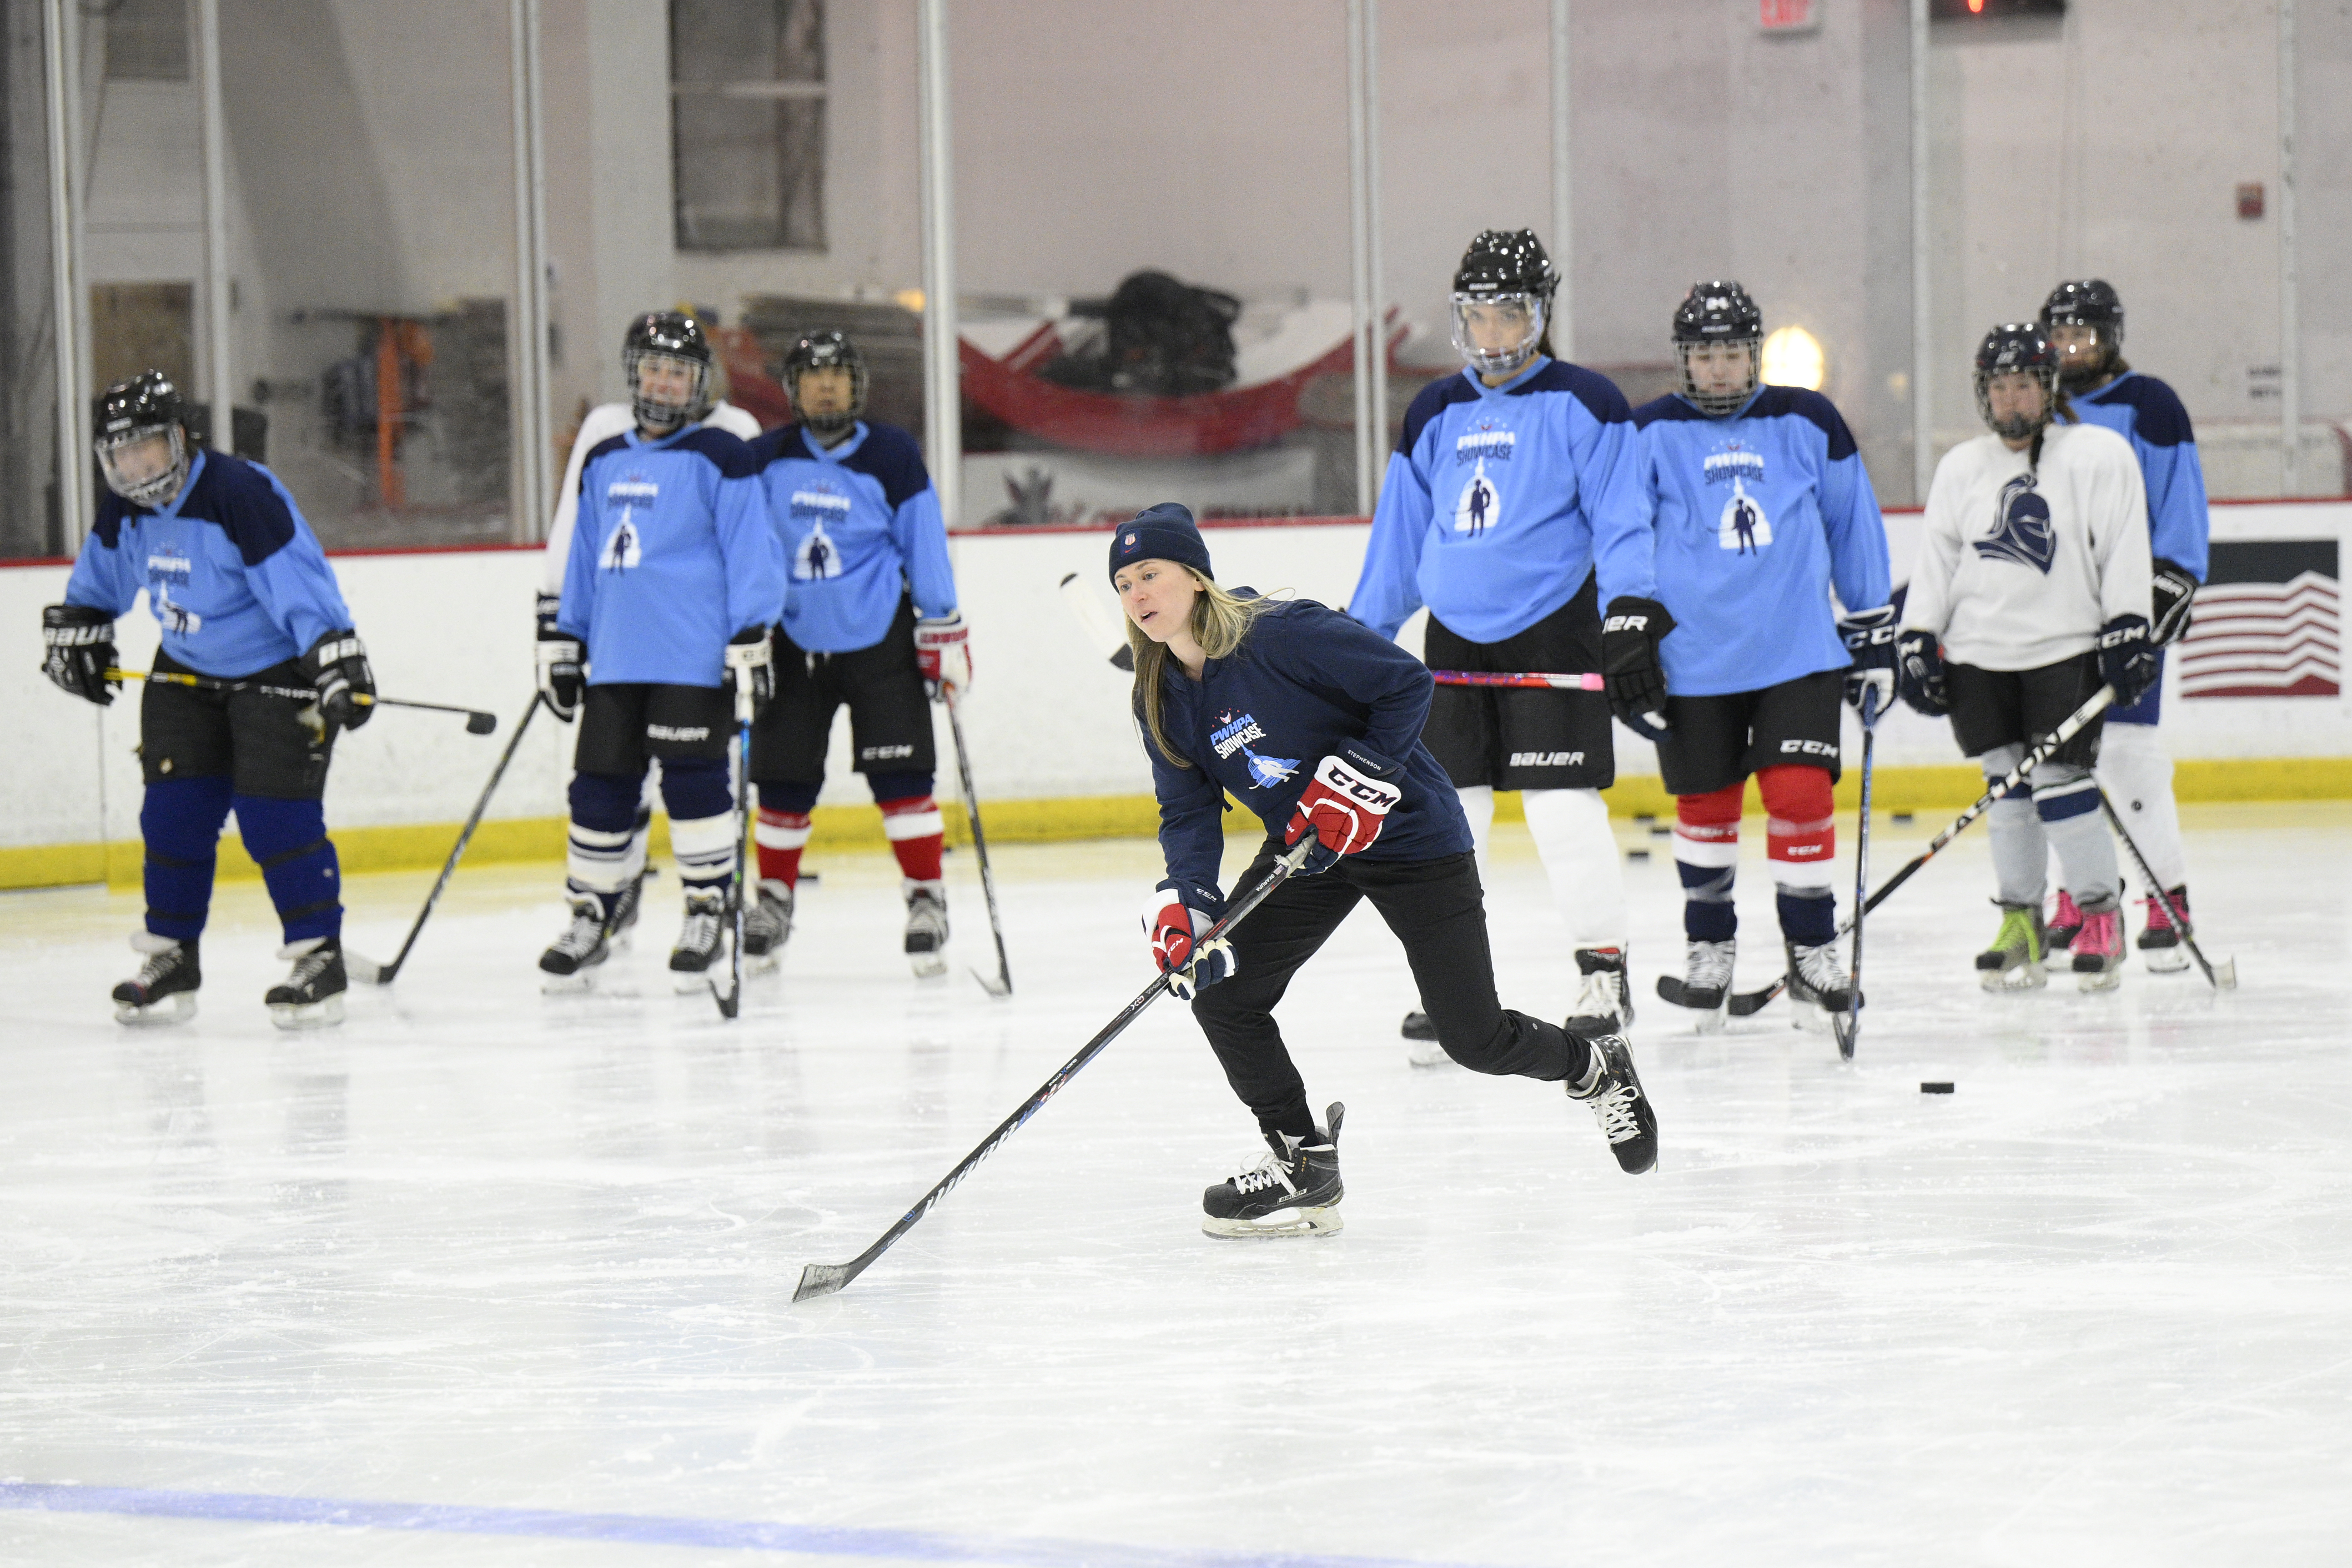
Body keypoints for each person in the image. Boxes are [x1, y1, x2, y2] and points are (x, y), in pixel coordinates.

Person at [1115, 504, 1656, 1239]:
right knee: (1225, 995)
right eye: (1123, 583)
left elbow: (1405, 684)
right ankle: (1303, 1162)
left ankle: (1593, 1065)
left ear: (1197, 576)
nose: (1137, 593)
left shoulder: (1283, 631)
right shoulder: (1161, 698)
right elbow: (1187, 815)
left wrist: (1362, 775)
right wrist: (1193, 902)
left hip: (1412, 837)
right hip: (1312, 849)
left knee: (1474, 1037)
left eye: (1150, 573)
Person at [1348, 229, 1653, 1061]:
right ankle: (1453, 991)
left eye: (1508, 314)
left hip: (1555, 626)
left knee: (1560, 811)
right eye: (1478, 316)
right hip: (1453, 640)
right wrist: (1358, 641)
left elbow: (1624, 518)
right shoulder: (1434, 411)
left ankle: (1603, 970)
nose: (1492, 335)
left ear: (1540, 315)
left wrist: (1631, 608)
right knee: (1449, 819)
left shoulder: (1587, 402)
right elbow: (1399, 543)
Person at [42, 370, 376, 1028]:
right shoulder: (125, 509)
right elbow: (98, 583)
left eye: (148, 448)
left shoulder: (238, 493)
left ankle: (319, 956)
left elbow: (298, 584)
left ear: (179, 439)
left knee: (273, 816)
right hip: (187, 677)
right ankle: (172, 959)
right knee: (172, 816)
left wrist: (335, 657)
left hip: (276, 674)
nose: (136, 467)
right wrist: (79, 630)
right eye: (120, 455)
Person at [1626, 283, 1894, 1031]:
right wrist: (1627, 634)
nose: (1719, 370)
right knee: (1706, 808)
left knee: (1801, 796)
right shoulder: (1646, 432)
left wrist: (1871, 626)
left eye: (1733, 354)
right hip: (1693, 659)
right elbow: (1621, 540)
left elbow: (1852, 523)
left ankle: (1812, 952)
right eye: (1705, 355)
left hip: (1798, 652)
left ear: (1756, 355)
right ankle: (1709, 949)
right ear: (1685, 359)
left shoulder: (1807, 418)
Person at [1897, 324, 2155, 992]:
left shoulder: (2097, 454)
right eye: (1999, 386)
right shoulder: (1962, 467)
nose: (2011, 400)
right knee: (2007, 793)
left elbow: (2125, 542)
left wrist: (2129, 622)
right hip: (1979, 654)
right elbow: (1939, 559)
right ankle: (2022, 920)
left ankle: (2100, 916)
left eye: (2024, 385)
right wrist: (1918, 634)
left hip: (2064, 648)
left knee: (2063, 786)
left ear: (2049, 389)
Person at [536, 312, 784, 988]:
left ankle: (709, 908)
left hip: (692, 658)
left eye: (679, 372)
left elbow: (751, 550)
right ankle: (592, 912)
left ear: (698, 382)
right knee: (598, 789)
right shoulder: (605, 456)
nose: (666, 383)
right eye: (655, 369)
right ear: (634, 375)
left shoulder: (722, 454)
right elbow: (583, 556)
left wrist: (750, 632)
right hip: (616, 659)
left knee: (695, 784)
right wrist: (563, 637)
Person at [743, 329, 971, 977]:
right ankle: (774, 902)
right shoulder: (765, 457)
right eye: (813, 376)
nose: (826, 386)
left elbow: (923, 542)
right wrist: (743, 628)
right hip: (791, 645)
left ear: (856, 386)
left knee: (903, 780)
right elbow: (745, 544)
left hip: (881, 642)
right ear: (793, 389)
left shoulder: (893, 454)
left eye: (838, 375)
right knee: (783, 783)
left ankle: (926, 900)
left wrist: (944, 626)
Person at [2039, 279, 2208, 969]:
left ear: (2112, 339)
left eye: (2086, 336)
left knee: (2131, 758)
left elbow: (2179, 494)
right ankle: (2079, 898)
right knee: (2057, 759)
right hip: (2054, 613)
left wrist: (2174, 578)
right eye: (2062, 335)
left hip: (2128, 606)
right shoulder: (2035, 406)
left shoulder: (2149, 403)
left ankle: (2168, 897)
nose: (2073, 349)